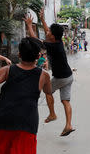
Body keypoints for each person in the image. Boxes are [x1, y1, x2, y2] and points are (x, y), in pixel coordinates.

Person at [24, 9, 75, 137]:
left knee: (47, 91)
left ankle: (52, 114)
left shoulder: (52, 46)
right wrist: (42, 19)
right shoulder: (56, 41)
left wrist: (30, 25)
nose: (47, 32)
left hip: (61, 77)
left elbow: (34, 40)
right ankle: (69, 125)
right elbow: (48, 32)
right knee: (65, 101)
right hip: (69, 76)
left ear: (53, 36)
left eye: (49, 32)